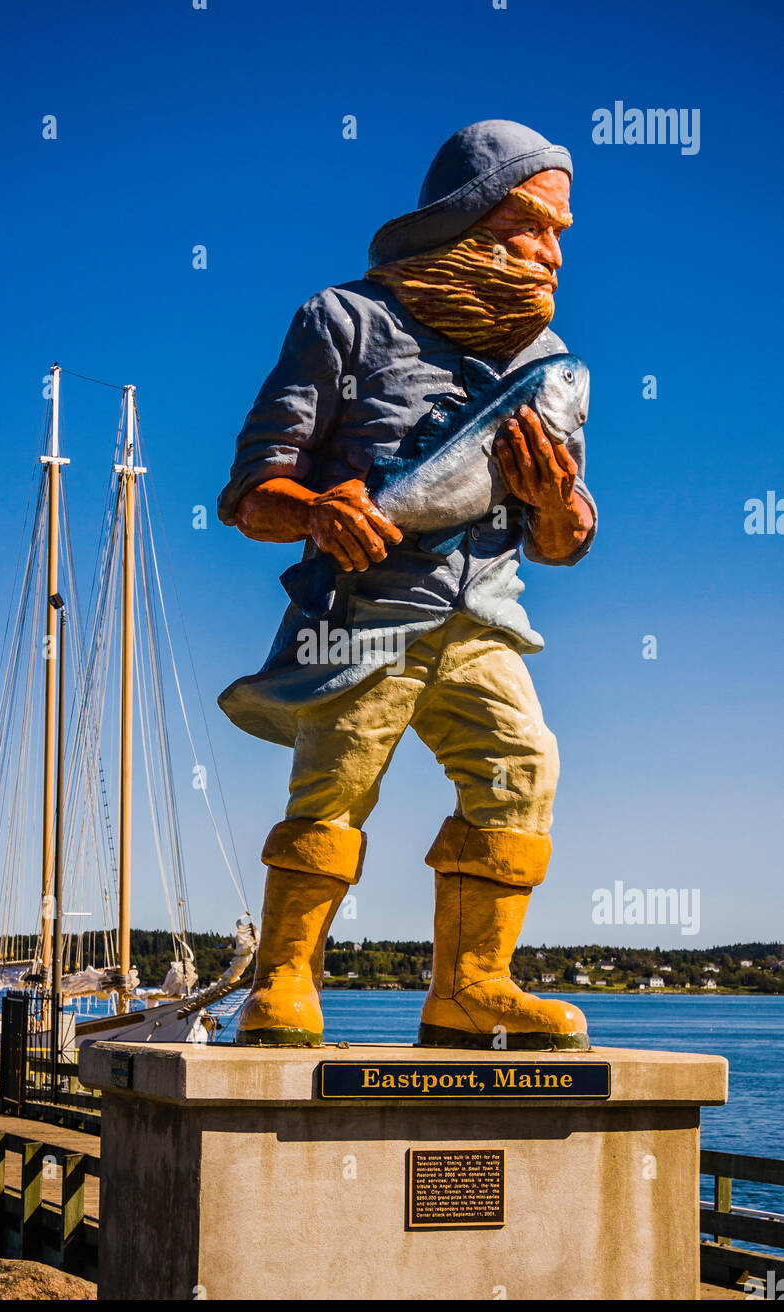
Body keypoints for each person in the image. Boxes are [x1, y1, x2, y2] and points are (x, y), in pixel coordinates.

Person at [217, 120, 597, 1050]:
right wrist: (314, 512)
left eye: (559, 234)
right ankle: (286, 981)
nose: (550, 252)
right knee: (334, 786)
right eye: (530, 228)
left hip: (483, 619)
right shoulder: (341, 320)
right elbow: (249, 493)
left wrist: (558, 502)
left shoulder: (548, 366)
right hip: (362, 616)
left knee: (522, 771)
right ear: (464, 223)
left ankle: (472, 985)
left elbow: (564, 540)